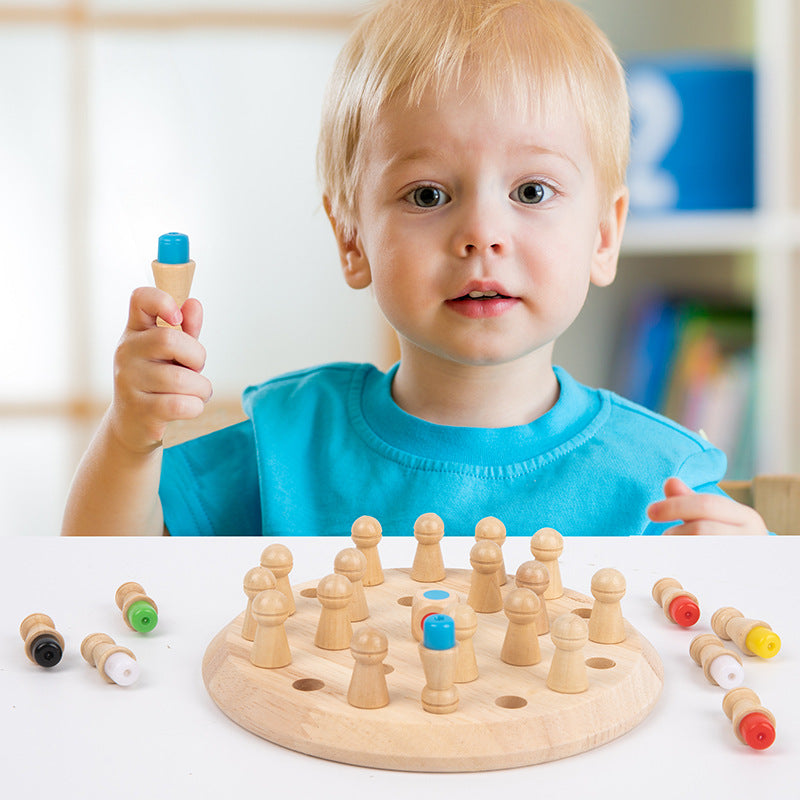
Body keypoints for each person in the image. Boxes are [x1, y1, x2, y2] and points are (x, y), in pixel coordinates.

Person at [62, 0, 767, 537]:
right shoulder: (288, 444)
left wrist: (748, 580)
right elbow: (105, 571)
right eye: (429, 195)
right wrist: (130, 437)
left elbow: (725, 670)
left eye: (531, 191)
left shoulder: (662, 479)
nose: (482, 234)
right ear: (353, 239)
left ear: (604, 235)